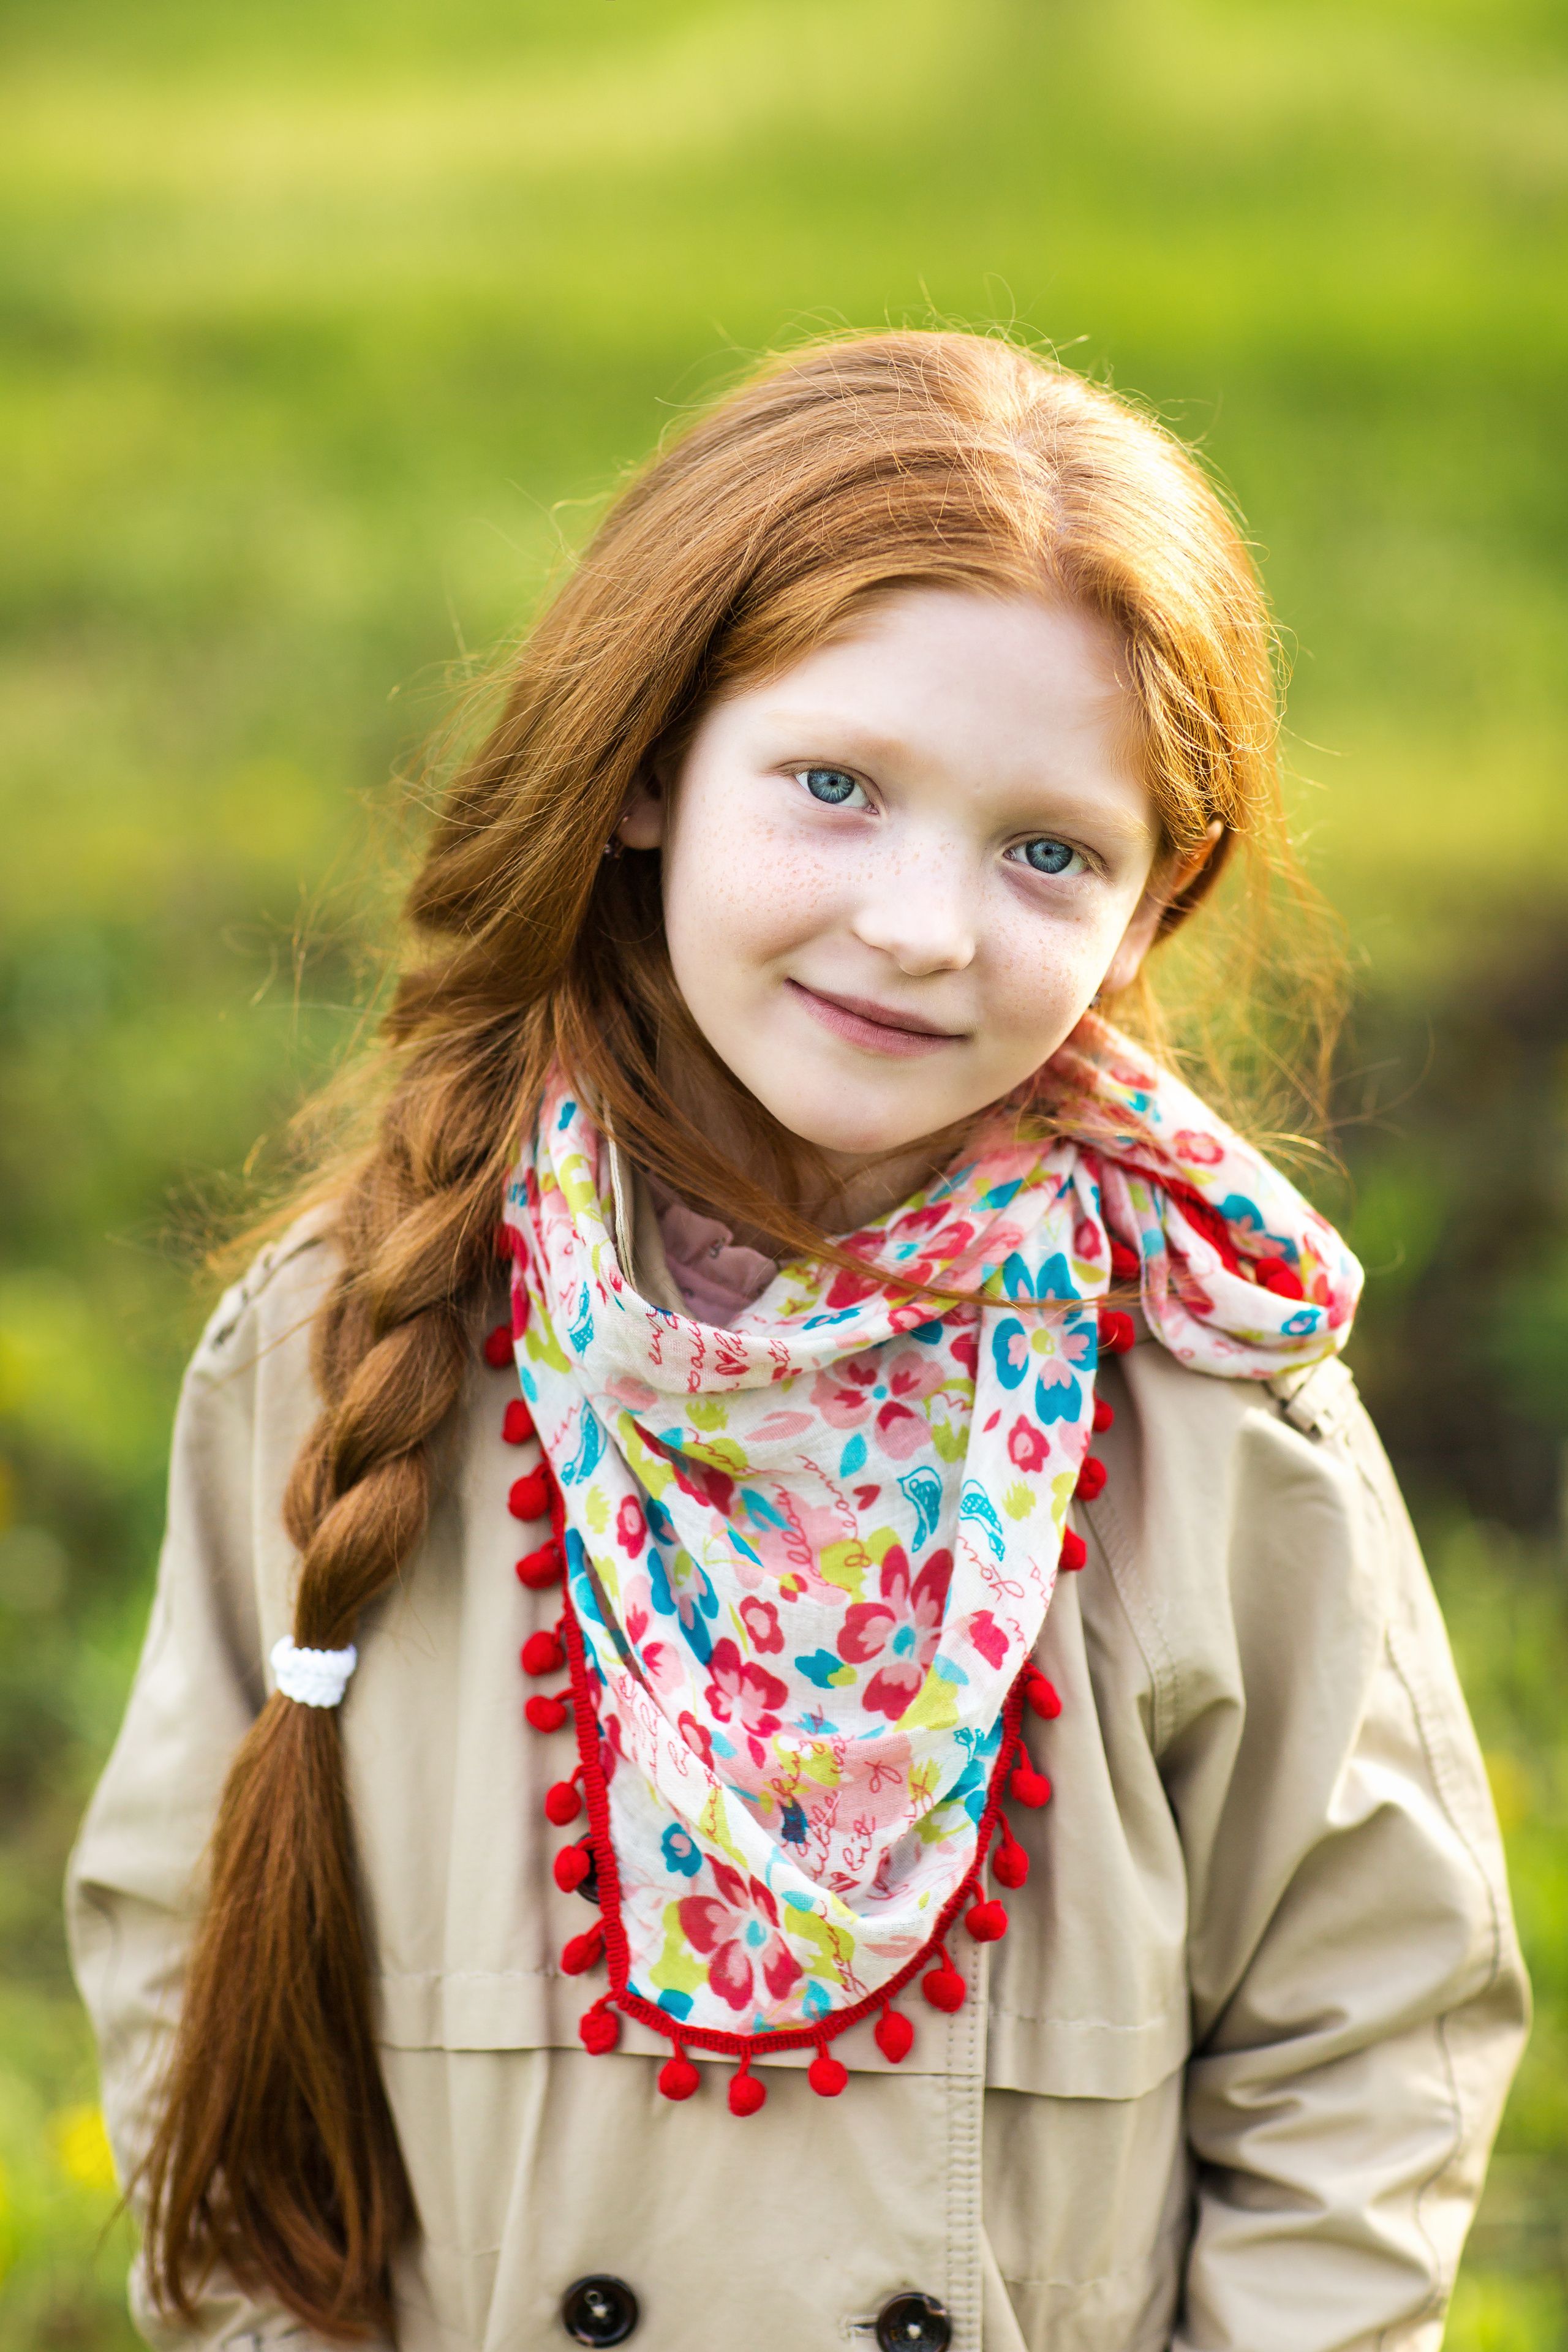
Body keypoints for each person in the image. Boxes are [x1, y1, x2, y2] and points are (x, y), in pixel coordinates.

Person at [68, 331, 1526, 2352]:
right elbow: (186, 1957)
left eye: (1049, 850)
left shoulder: (1216, 1412)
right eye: (836, 787)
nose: (925, 924)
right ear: (655, 764)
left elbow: (1366, 2047)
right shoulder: (355, 1337)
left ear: (1153, 899)